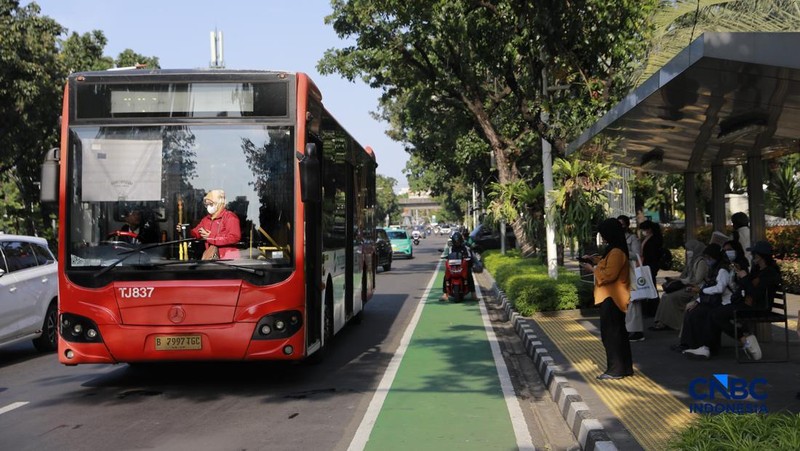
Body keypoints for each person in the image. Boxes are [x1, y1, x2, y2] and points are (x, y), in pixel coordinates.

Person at [708, 240, 781, 361]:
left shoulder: (770, 273)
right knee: (715, 312)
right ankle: (741, 338)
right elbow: (746, 287)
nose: (752, 257)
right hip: (747, 303)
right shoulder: (757, 269)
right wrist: (739, 275)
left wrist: (745, 278)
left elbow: (757, 294)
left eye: (754, 254)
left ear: (761, 256)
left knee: (717, 314)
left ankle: (743, 337)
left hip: (758, 307)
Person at [581, 218, 633, 380]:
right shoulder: (614, 249)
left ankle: (615, 370)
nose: (602, 237)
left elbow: (609, 274)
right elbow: (607, 264)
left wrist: (592, 269)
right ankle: (624, 368)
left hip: (613, 297)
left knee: (611, 334)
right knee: (618, 333)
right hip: (611, 297)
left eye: (604, 234)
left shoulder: (617, 252)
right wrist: (594, 260)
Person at [676, 243, 733, 359]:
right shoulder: (714, 269)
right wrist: (697, 300)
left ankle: (702, 346)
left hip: (722, 302)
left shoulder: (723, 270)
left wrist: (702, 290)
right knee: (691, 311)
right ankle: (688, 344)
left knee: (697, 314)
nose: (707, 261)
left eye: (709, 258)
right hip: (714, 300)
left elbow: (719, 288)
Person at [649, 239, 708, 331]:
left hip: (694, 289)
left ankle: (674, 324)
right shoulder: (691, 261)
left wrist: (683, 281)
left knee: (670, 297)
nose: (688, 252)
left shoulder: (701, 262)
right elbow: (684, 275)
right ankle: (662, 321)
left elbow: (697, 280)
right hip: (687, 287)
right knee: (665, 296)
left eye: (690, 249)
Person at [626, 219, 663, 340]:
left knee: (650, 286)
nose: (643, 232)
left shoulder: (654, 239)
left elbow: (649, 253)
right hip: (646, 265)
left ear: (649, 229)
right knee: (649, 286)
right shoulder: (650, 238)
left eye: (644, 229)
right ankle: (652, 310)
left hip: (649, 265)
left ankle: (653, 310)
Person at [181, 189, 241, 259]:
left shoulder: (230, 217)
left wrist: (211, 237)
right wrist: (183, 230)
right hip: (212, 260)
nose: (208, 207)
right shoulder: (206, 220)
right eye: (207, 204)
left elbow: (234, 237)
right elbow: (195, 234)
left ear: (219, 203)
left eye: (211, 204)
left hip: (229, 260)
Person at [441, 230, 475, 299]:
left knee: (469, 274)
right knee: (446, 276)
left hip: (462, 266)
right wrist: (444, 256)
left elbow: (469, 255)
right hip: (452, 266)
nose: (457, 243)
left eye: (458, 241)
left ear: (461, 240)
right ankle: (445, 294)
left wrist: (468, 258)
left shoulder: (465, 247)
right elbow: (445, 254)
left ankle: (473, 294)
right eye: (456, 241)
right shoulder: (450, 248)